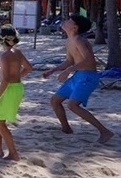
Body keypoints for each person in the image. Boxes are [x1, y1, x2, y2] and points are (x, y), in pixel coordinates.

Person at [42, 15, 114, 144]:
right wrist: (53, 70)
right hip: (78, 76)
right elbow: (69, 61)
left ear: (75, 28)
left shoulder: (79, 40)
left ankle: (104, 131)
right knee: (55, 100)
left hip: (88, 77)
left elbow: (89, 60)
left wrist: (68, 71)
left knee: (72, 105)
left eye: (69, 21)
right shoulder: (69, 40)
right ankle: (66, 128)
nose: (65, 21)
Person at [0, 25, 33, 161]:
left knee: (0, 122)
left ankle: (13, 153)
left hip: (9, 89)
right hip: (16, 87)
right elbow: (28, 67)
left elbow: (6, 80)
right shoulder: (17, 52)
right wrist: (17, 76)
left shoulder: (4, 56)